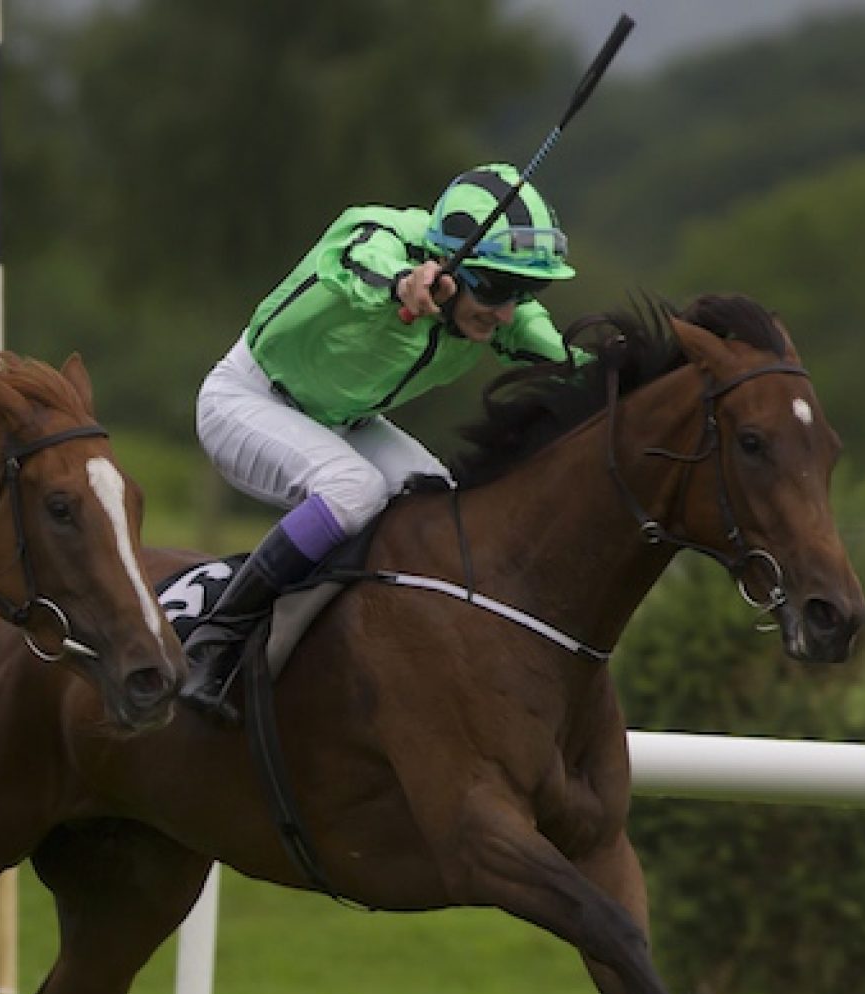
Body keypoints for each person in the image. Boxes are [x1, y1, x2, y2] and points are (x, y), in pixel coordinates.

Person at [178, 162, 580, 719]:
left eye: (526, 289)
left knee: (441, 510)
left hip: (344, 419)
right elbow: (356, 262)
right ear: (451, 262)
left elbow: (566, 360)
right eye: (498, 287)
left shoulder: (498, 309)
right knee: (354, 489)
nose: (508, 309)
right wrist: (403, 283)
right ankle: (214, 641)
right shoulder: (376, 232)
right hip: (247, 401)